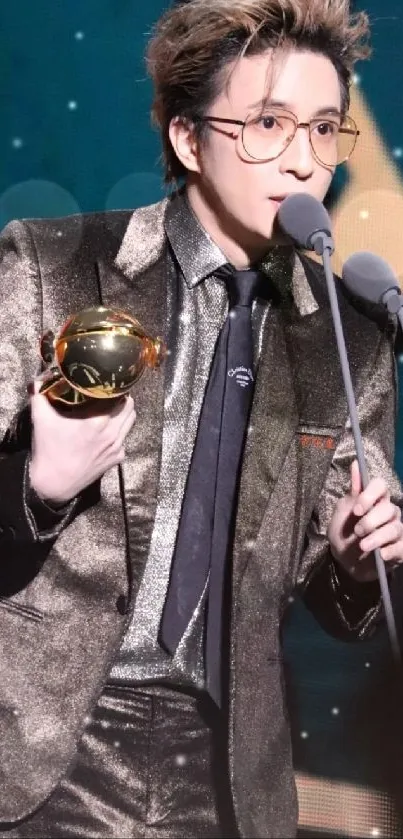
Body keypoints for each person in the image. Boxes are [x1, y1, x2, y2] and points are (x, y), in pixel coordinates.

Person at [0, 0, 402, 837]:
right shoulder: (49, 266)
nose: (302, 161)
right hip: (43, 746)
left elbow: (329, 605)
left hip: (226, 770)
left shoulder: (349, 339)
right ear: (188, 139)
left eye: (325, 129)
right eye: (267, 123)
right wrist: (38, 485)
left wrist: (358, 566)